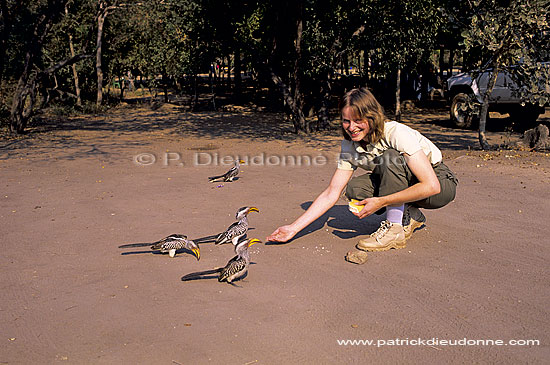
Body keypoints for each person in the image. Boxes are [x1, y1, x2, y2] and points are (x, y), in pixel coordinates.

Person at [267, 87, 457, 253]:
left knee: (389, 157)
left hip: (440, 183)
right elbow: (332, 192)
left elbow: (432, 186)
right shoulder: (350, 145)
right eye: (346, 121)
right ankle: (409, 214)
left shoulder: (395, 133)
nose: (352, 127)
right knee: (355, 190)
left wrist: (381, 201)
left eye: (358, 120)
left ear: (372, 116)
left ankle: (394, 229)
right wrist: (293, 228)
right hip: (408, 182)